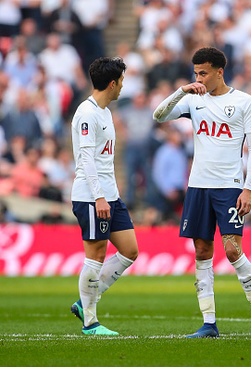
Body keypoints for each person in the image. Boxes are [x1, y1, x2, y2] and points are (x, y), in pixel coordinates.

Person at [152, 47, 251, 339]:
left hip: (229, 186)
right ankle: (208, 323)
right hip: (198, 186)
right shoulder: (194, 100)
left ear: (220, 71)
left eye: (203, 72)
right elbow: (159, 115)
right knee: (202, 251)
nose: (199, 78)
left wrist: (248, 188)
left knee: (232, 250)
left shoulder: (244, 102)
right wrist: (182, 90)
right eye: (195, 73)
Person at [70, 57, 139, 336]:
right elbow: (86, 159)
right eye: (121, 81)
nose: (122, 86)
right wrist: (99, 197)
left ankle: (84, 301)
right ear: (112, 83)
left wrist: (110, 193)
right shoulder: (87, 113)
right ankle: (90, 322)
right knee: (96, 255)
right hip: (91, 196)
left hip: (110, 195)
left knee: (130, 250)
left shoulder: (105, 111)